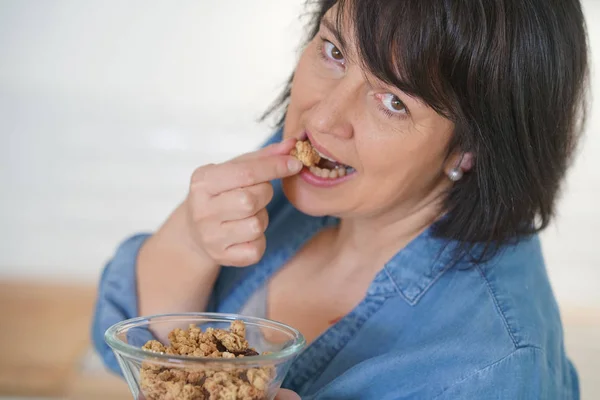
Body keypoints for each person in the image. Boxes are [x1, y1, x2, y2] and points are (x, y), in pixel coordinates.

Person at [92, 0, 589, 398]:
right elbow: (124, 349)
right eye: (334, 52)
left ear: (470, 149)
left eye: (393, 102)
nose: (324, 118)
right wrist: (191, 241)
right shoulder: (314, 176)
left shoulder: (487, 372)